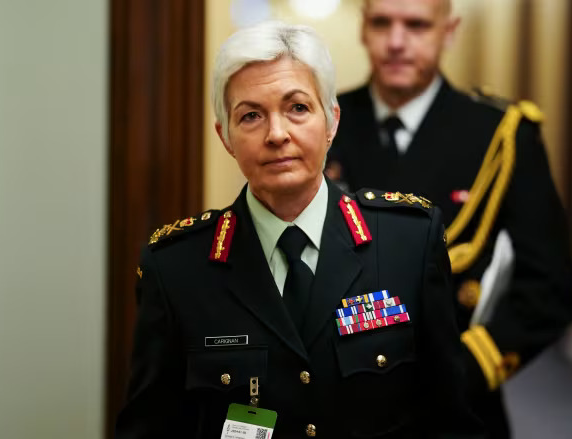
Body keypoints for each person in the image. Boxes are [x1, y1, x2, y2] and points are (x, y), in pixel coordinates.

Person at [115, 20, 484, 438]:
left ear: (332, 122)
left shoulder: (408, 242)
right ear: (225, 136)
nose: (277, 134)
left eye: (298, 108)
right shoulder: (176, 268)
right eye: (251, 115)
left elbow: (452, 420)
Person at [325, 1, 572, 437]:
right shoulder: (321, 123)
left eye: (417, 25)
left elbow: (550, 287)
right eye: (382, 23)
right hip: (338, 396)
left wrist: (464, 369)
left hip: (455, 399)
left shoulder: (500, 133)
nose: (396, 42)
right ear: (363, 29)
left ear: (449, 31)